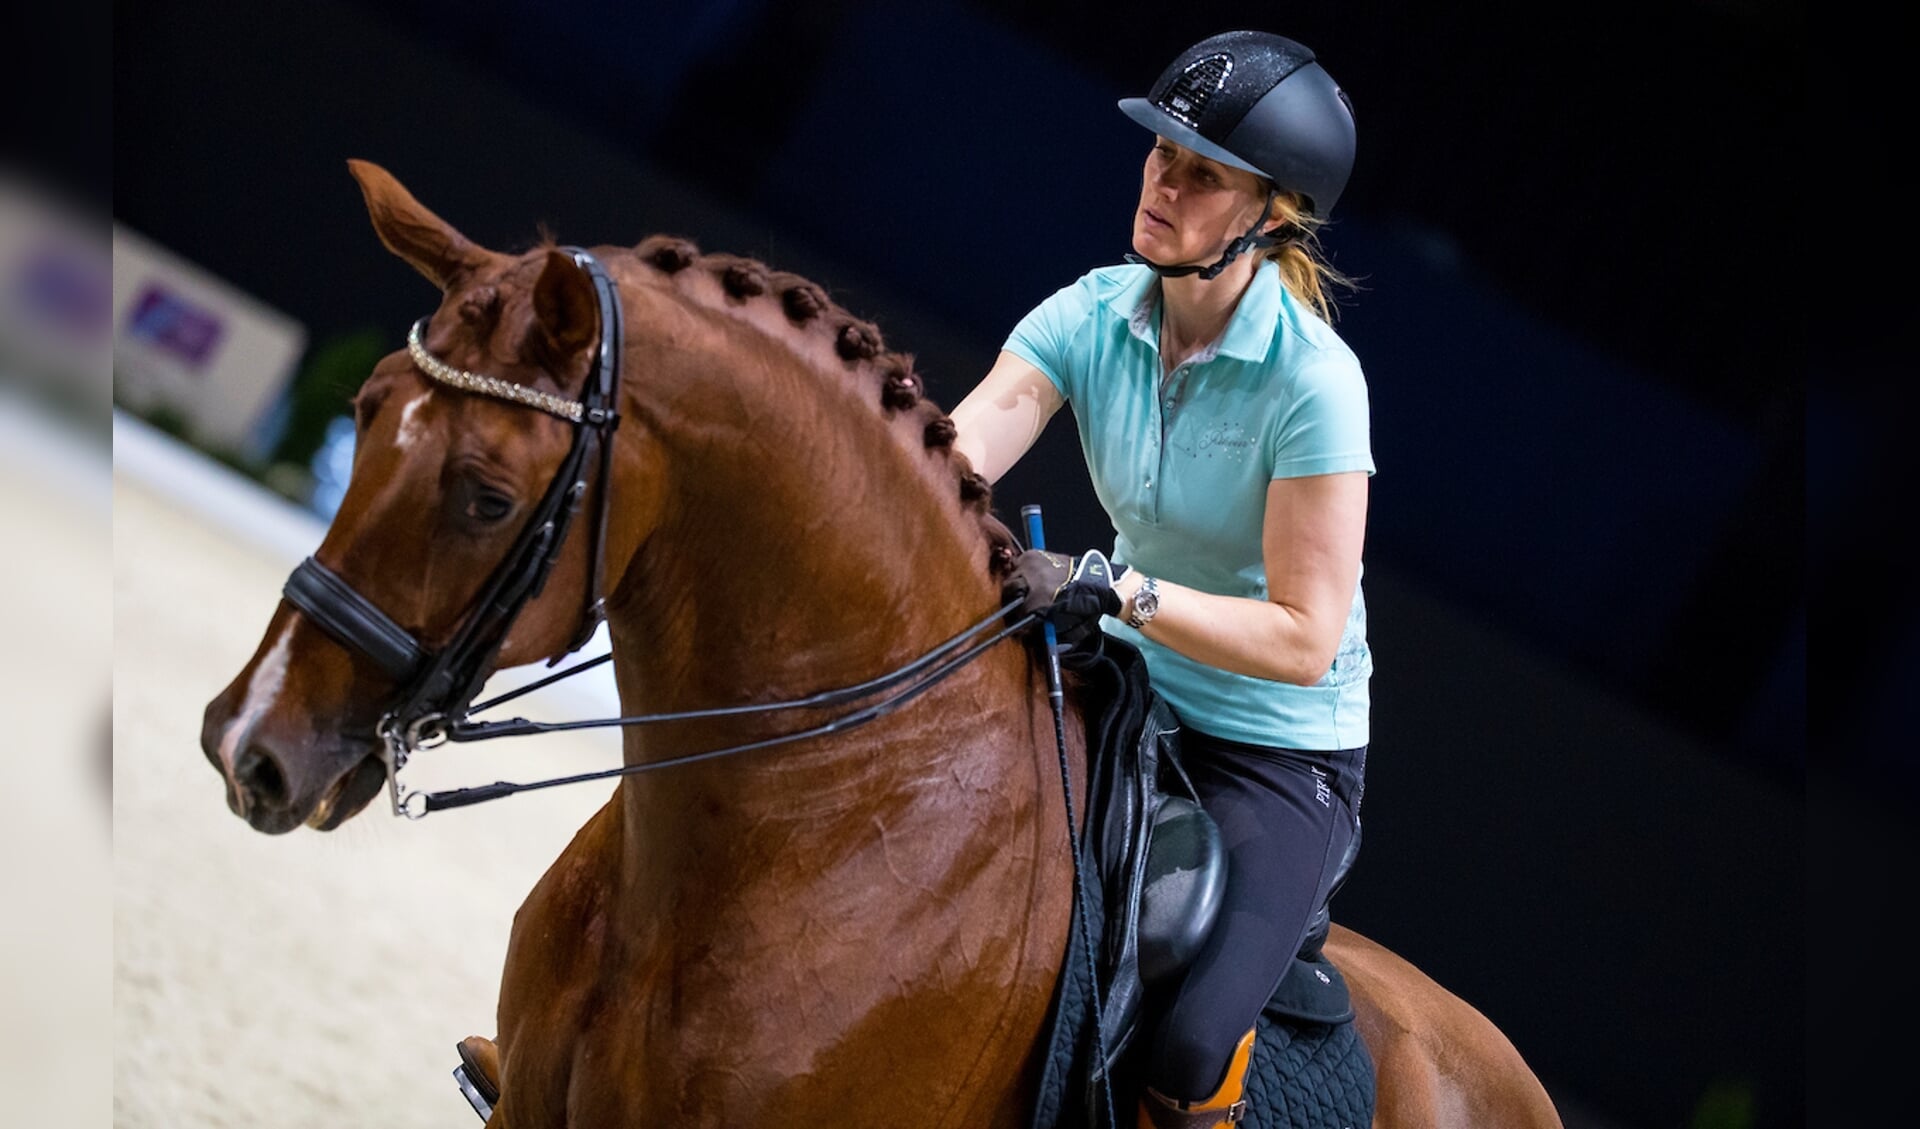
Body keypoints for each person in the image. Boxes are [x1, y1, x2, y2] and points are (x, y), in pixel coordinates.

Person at [949, 30, 1372, 1129]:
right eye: (1161, 156)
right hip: (1129, 684)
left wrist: (1121, 591)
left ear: (1268, 217)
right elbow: (970, 441)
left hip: (1278, 751)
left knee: (1189, 1042)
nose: (1164, 186)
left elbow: (1303, 636)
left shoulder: (1315, 385)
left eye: (1203, 175)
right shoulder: (1095, 312)